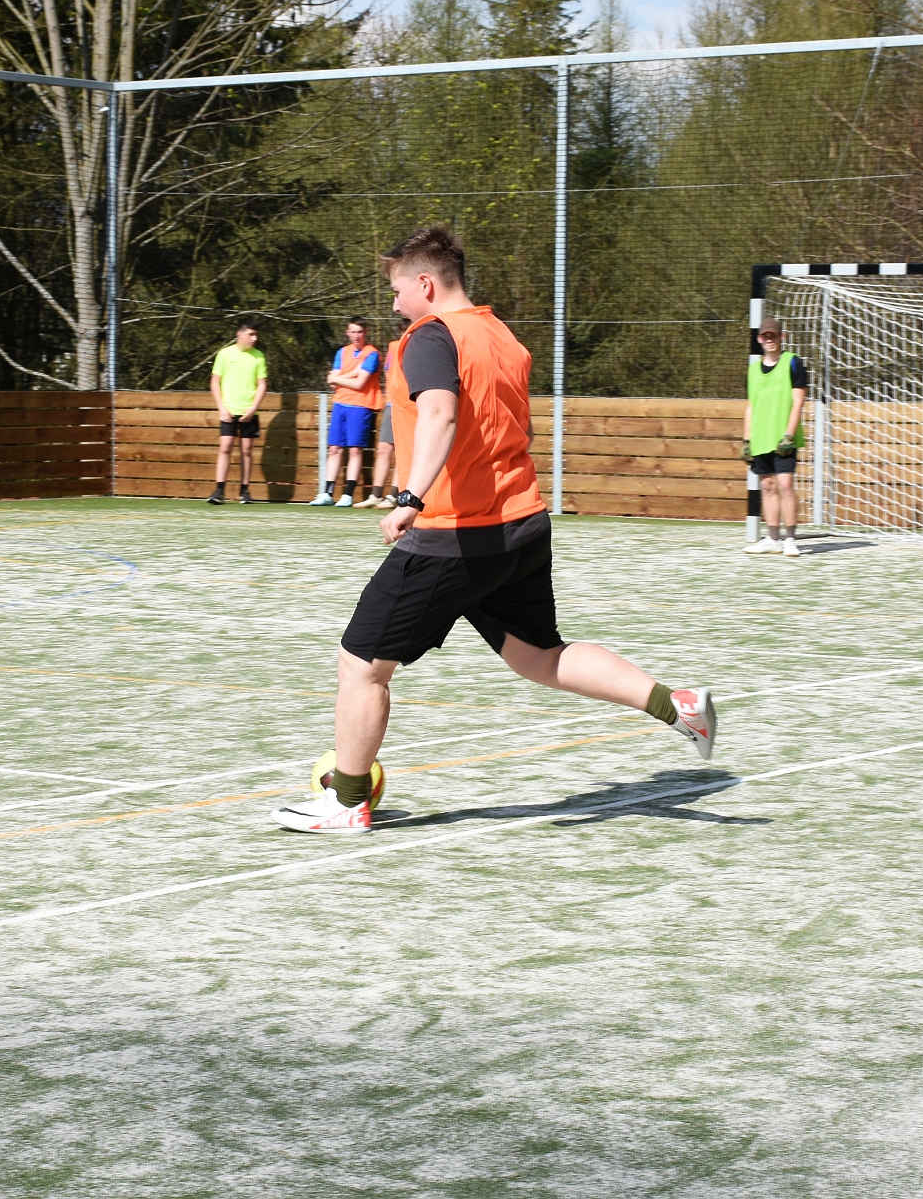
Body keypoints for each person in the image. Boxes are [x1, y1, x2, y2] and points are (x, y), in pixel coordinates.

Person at [271, 225, 718, 835]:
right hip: (521, 526)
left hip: (456, 533)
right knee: (540, 655)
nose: (395, 305)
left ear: (426, 284)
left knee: (361, 665)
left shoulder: (431, 336)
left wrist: (408, 498)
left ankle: (347, 802)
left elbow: (440, 414)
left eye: (398, 291)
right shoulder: (500, 334)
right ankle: (677, 705)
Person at [741, 318, 809, 557]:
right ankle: (772, 539)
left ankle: (790, 539)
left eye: (774, 335)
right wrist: (746, 440)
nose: (770, 340)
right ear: (759, 339)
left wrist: (789, 434)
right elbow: (751, 406)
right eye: (765, 336)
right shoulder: (752, 370)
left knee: (785, 484)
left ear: (782, 337)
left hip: (783, 437)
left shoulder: (793, 363)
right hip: (761, 437)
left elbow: (798, 402)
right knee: (767, 486)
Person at [309, 317, 381, 506]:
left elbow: (360, 383)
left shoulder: (372, 354)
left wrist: (339, 378)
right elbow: (332, 383)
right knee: (334, 449)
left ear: (366, 332)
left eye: (360, 332)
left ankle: (348, 494)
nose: (357, 336)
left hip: (360, 406)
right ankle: (327, 493)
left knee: (355, 450)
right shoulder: (342, 352)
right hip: (340, 404)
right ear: (347, 332)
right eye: (353, 332)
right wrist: (351, 373)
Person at [208, 319, 268, 505]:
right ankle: (219, 490)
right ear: (239, 334)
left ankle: (244, 491)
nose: (254, 338)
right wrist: (222, 408)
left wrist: (253, 408)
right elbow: (215, 382)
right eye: (251, 334)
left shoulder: (259, 356)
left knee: (247, 450)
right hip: (228, 410)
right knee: (225, 447)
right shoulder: (225, 354)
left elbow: (262, 385)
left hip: (248, 411)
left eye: (256, 335)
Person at [353, 354, 401, 509]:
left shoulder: (419, 343)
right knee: (384, 448)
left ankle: (394, 496)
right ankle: (375, 495)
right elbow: (388, 373)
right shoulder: (393, 346)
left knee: (403, 451)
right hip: (392, 403)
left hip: (410, 404)